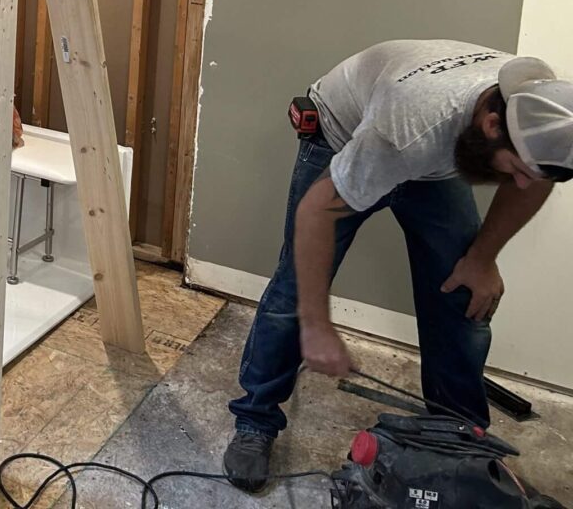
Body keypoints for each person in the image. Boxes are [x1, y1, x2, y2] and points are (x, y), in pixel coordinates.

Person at [222, 41, 573, 493]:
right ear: (490, 125)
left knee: (463, 291)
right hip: (344, 134)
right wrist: (317, 324)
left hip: (429, 157)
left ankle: (462, 442)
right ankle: (256, 420)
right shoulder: (409, 130)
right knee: (296, 289)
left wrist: (482, 260)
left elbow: (533, 180)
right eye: (517, 168)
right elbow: (317, 212)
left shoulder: (536, 104)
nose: (521, 181)